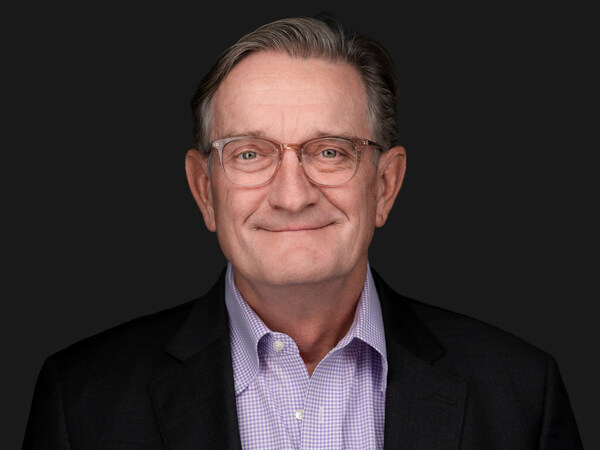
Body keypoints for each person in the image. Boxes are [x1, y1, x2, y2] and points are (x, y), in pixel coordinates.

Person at [23, 15, 582, 449]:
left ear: (385, 185)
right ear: (205, 189)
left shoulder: (521, 396)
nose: (292, 195)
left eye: (330, 151)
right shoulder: (83, 402)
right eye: (249, 153)